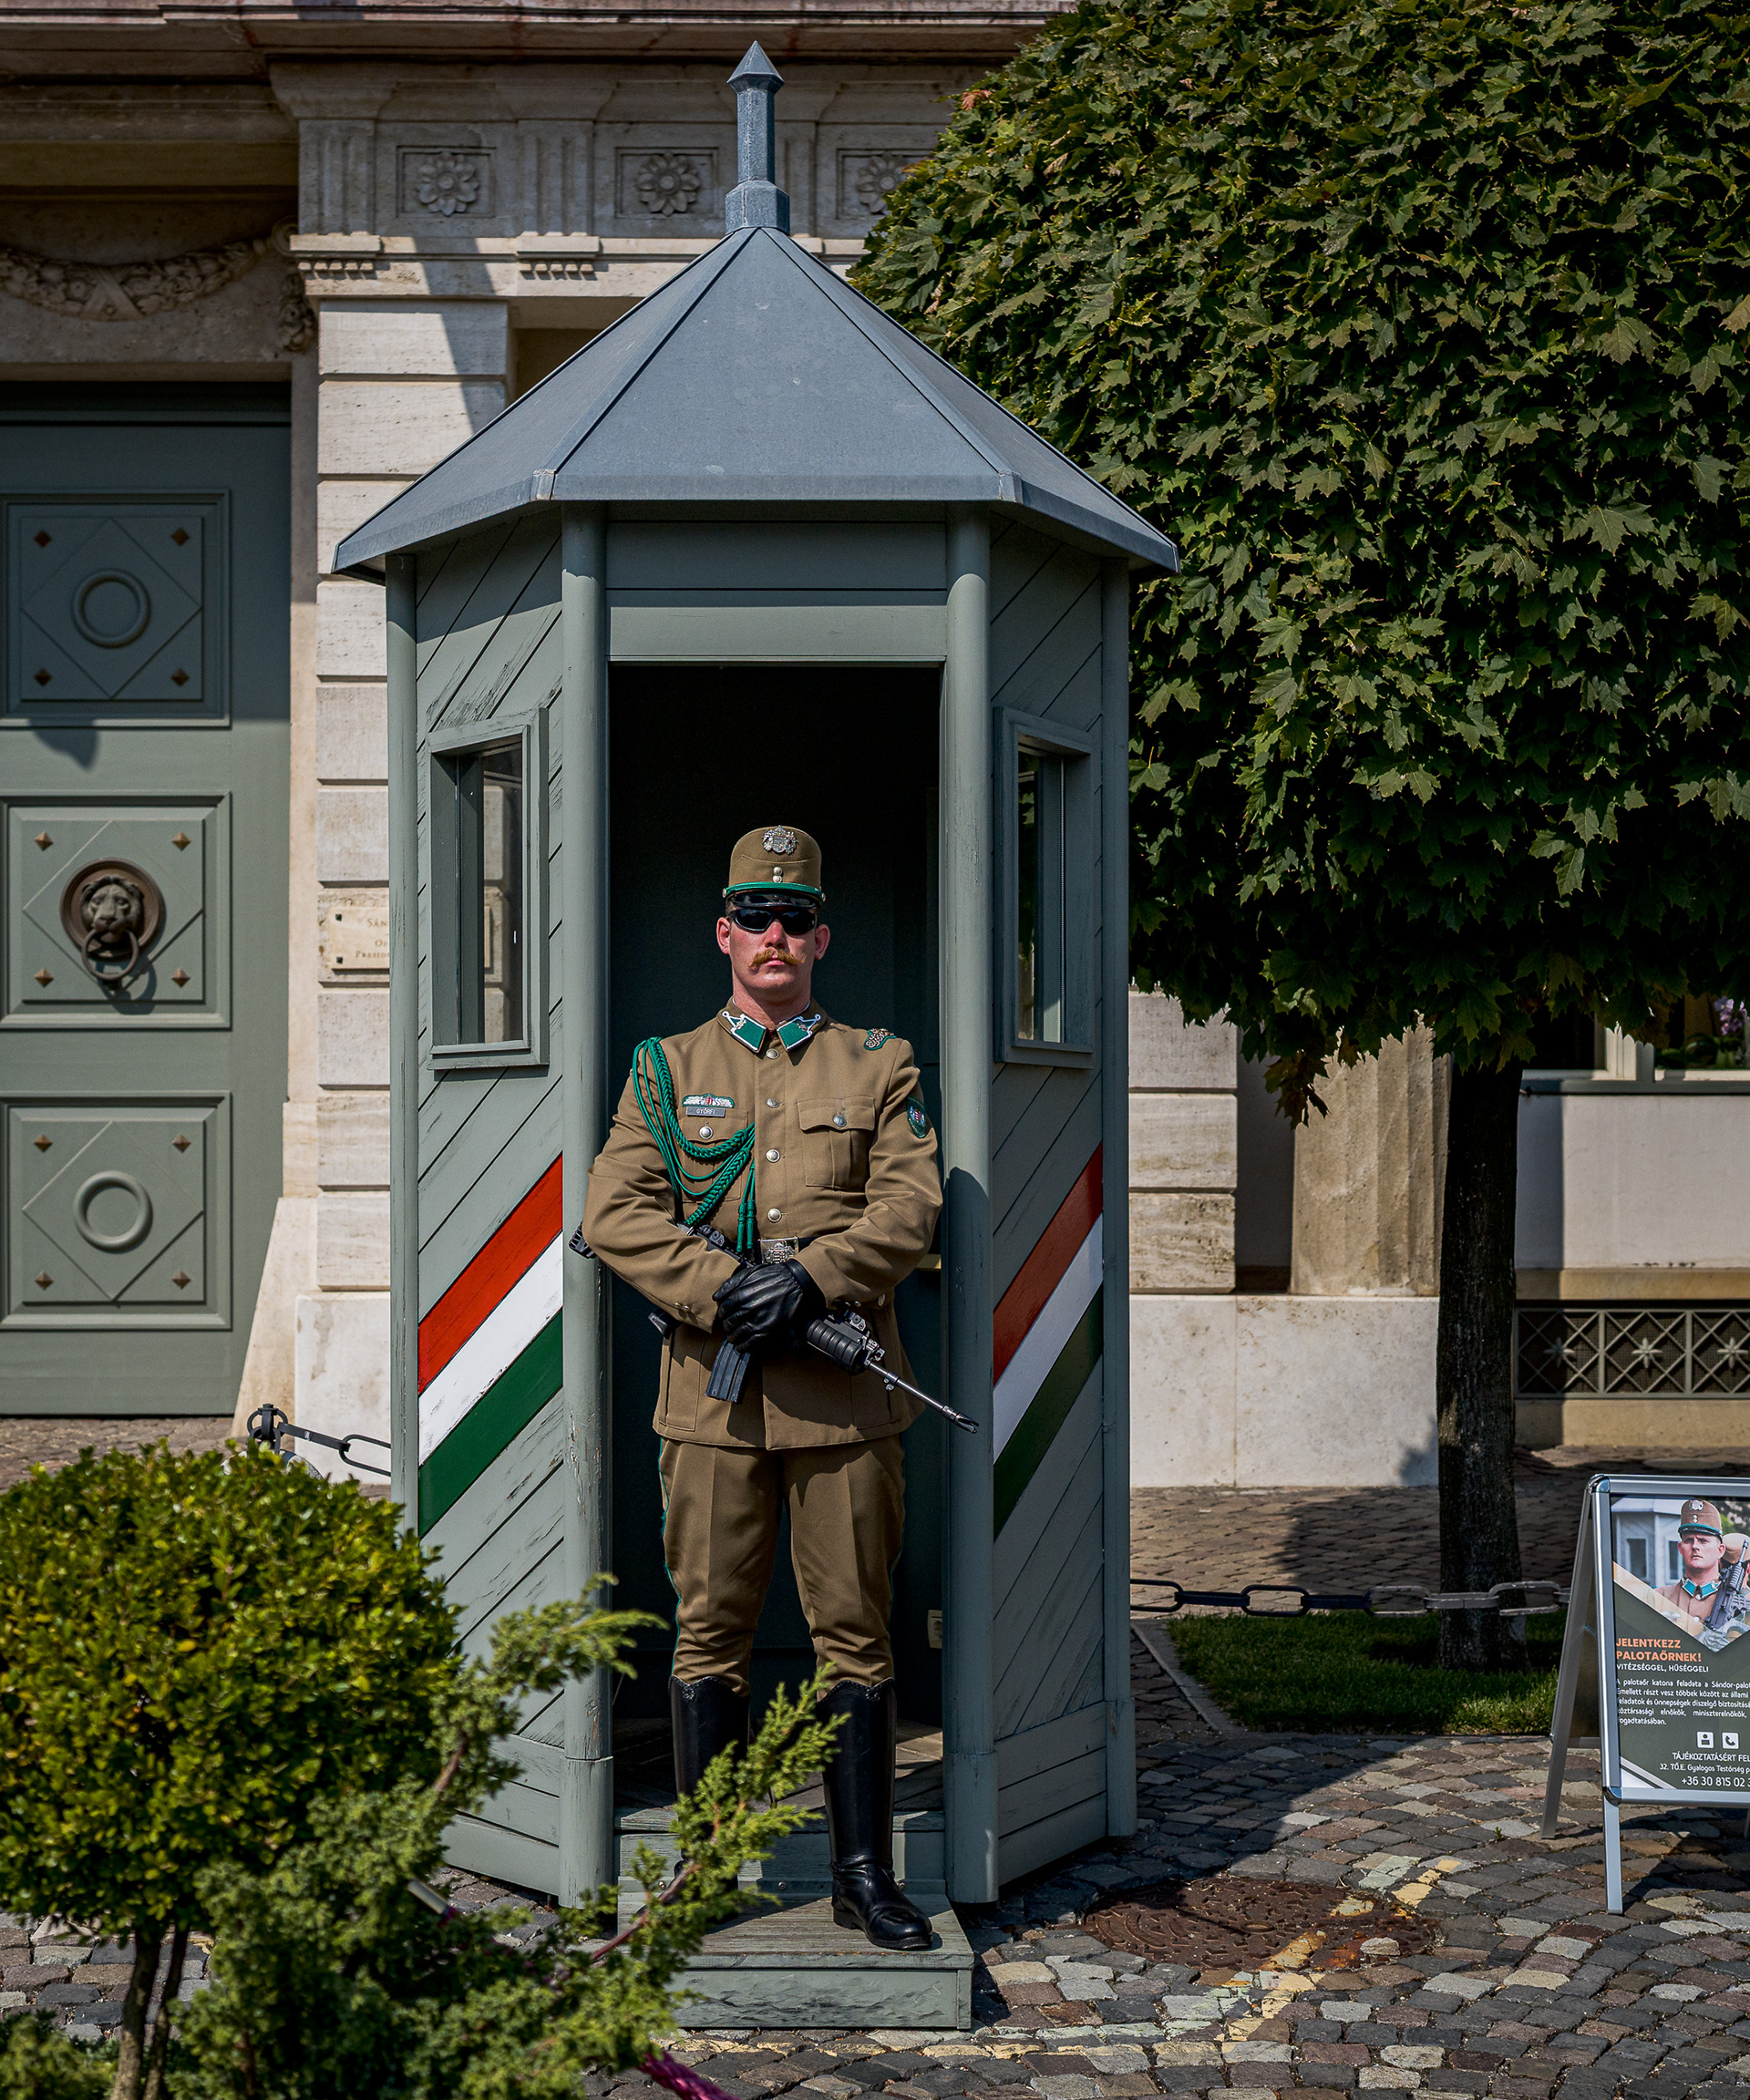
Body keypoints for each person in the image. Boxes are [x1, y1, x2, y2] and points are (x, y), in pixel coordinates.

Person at [581, 824, 942, 1952]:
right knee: (708, 1638)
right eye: (756, 916)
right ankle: (705, 1868)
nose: (775, 935)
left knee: (858, 1638)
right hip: (713, 1404)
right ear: (724, 933)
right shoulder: (666, 1068)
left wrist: (817, 1281)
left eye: (796, 918)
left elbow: (911, 1206)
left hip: (845, 1407)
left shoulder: (880, 1064)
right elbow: (614, 1212)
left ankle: (861, 1875)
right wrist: (731, 1288)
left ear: (821, 935)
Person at [1652, 1499, 1746, 1630]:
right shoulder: (1657, 1598)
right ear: (1680, 1548)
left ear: (1720, 1550)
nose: (1695, 1546)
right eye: (1689, 1540)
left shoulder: (1742, 1602)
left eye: (1703, 1541)